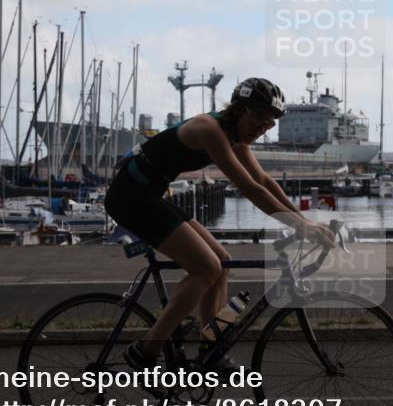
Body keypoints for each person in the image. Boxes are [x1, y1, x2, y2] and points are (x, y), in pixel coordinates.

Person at [104, 77, 335, 373]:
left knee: (222, 263)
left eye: (267, 125)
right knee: (206, 268)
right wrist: (300, 226)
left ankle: (210, 350)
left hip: (150, 194)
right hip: (130, 197)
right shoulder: (209, 130)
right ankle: (146, 350)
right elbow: (250, 189)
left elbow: (263, 181)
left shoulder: (236, 138)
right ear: (239, 109)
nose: (260, 128)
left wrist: (303, 222)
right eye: (257, 119)